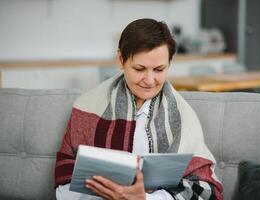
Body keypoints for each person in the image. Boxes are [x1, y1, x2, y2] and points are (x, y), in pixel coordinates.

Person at [54, 18, 223, 200]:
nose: (149, 80)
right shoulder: (87, 107)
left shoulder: (184, 116)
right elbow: (63, 184)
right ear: (121, 59)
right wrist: (110, 194)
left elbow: (205, 190)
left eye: (159, 70)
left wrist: (145, 199)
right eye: (139, 69)